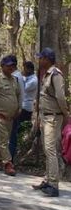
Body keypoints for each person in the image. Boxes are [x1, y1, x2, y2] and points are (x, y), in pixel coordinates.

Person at [32, 48, 69, 197]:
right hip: (45, 116)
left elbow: (60, 97)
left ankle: (54, 184)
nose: (39, 60)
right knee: (48, 150)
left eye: (41, 58)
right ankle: (48, 179)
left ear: (47, 59)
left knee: (51, 150)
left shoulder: (55, 75)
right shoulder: (46, 74)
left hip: (53, 117)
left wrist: (66, 114)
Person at [0, 55, 21, 176]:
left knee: (2, 140)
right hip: (0, 115)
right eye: (8, 65)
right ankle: (7, 163)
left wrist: (18, 108)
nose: (11, 68)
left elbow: (18, 95)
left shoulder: (14, 80)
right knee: (4, 141)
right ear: (2, 66)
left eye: (13, 66)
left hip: (10, 117)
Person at [10, 61, 37, 161]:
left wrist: (21, 78)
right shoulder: (24, 78)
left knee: (18, 130)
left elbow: (23, 88)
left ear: (29, 69)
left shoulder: (34, 80)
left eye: (25, 69)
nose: (23, 71)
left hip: (26, 107)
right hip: (20, 106)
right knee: (15, 130)